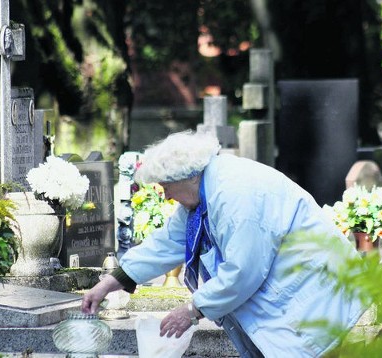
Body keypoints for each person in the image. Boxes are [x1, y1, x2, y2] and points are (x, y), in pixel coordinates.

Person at [82, 130, 366, 357]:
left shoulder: (234, 194)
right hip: (297, 294)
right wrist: (109, 283)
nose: (166, 196)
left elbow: (243, 271)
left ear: (187, 176)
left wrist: (192, 311)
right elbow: (167, 242)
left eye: (166, 186)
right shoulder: (204, 192)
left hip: (314, 295)